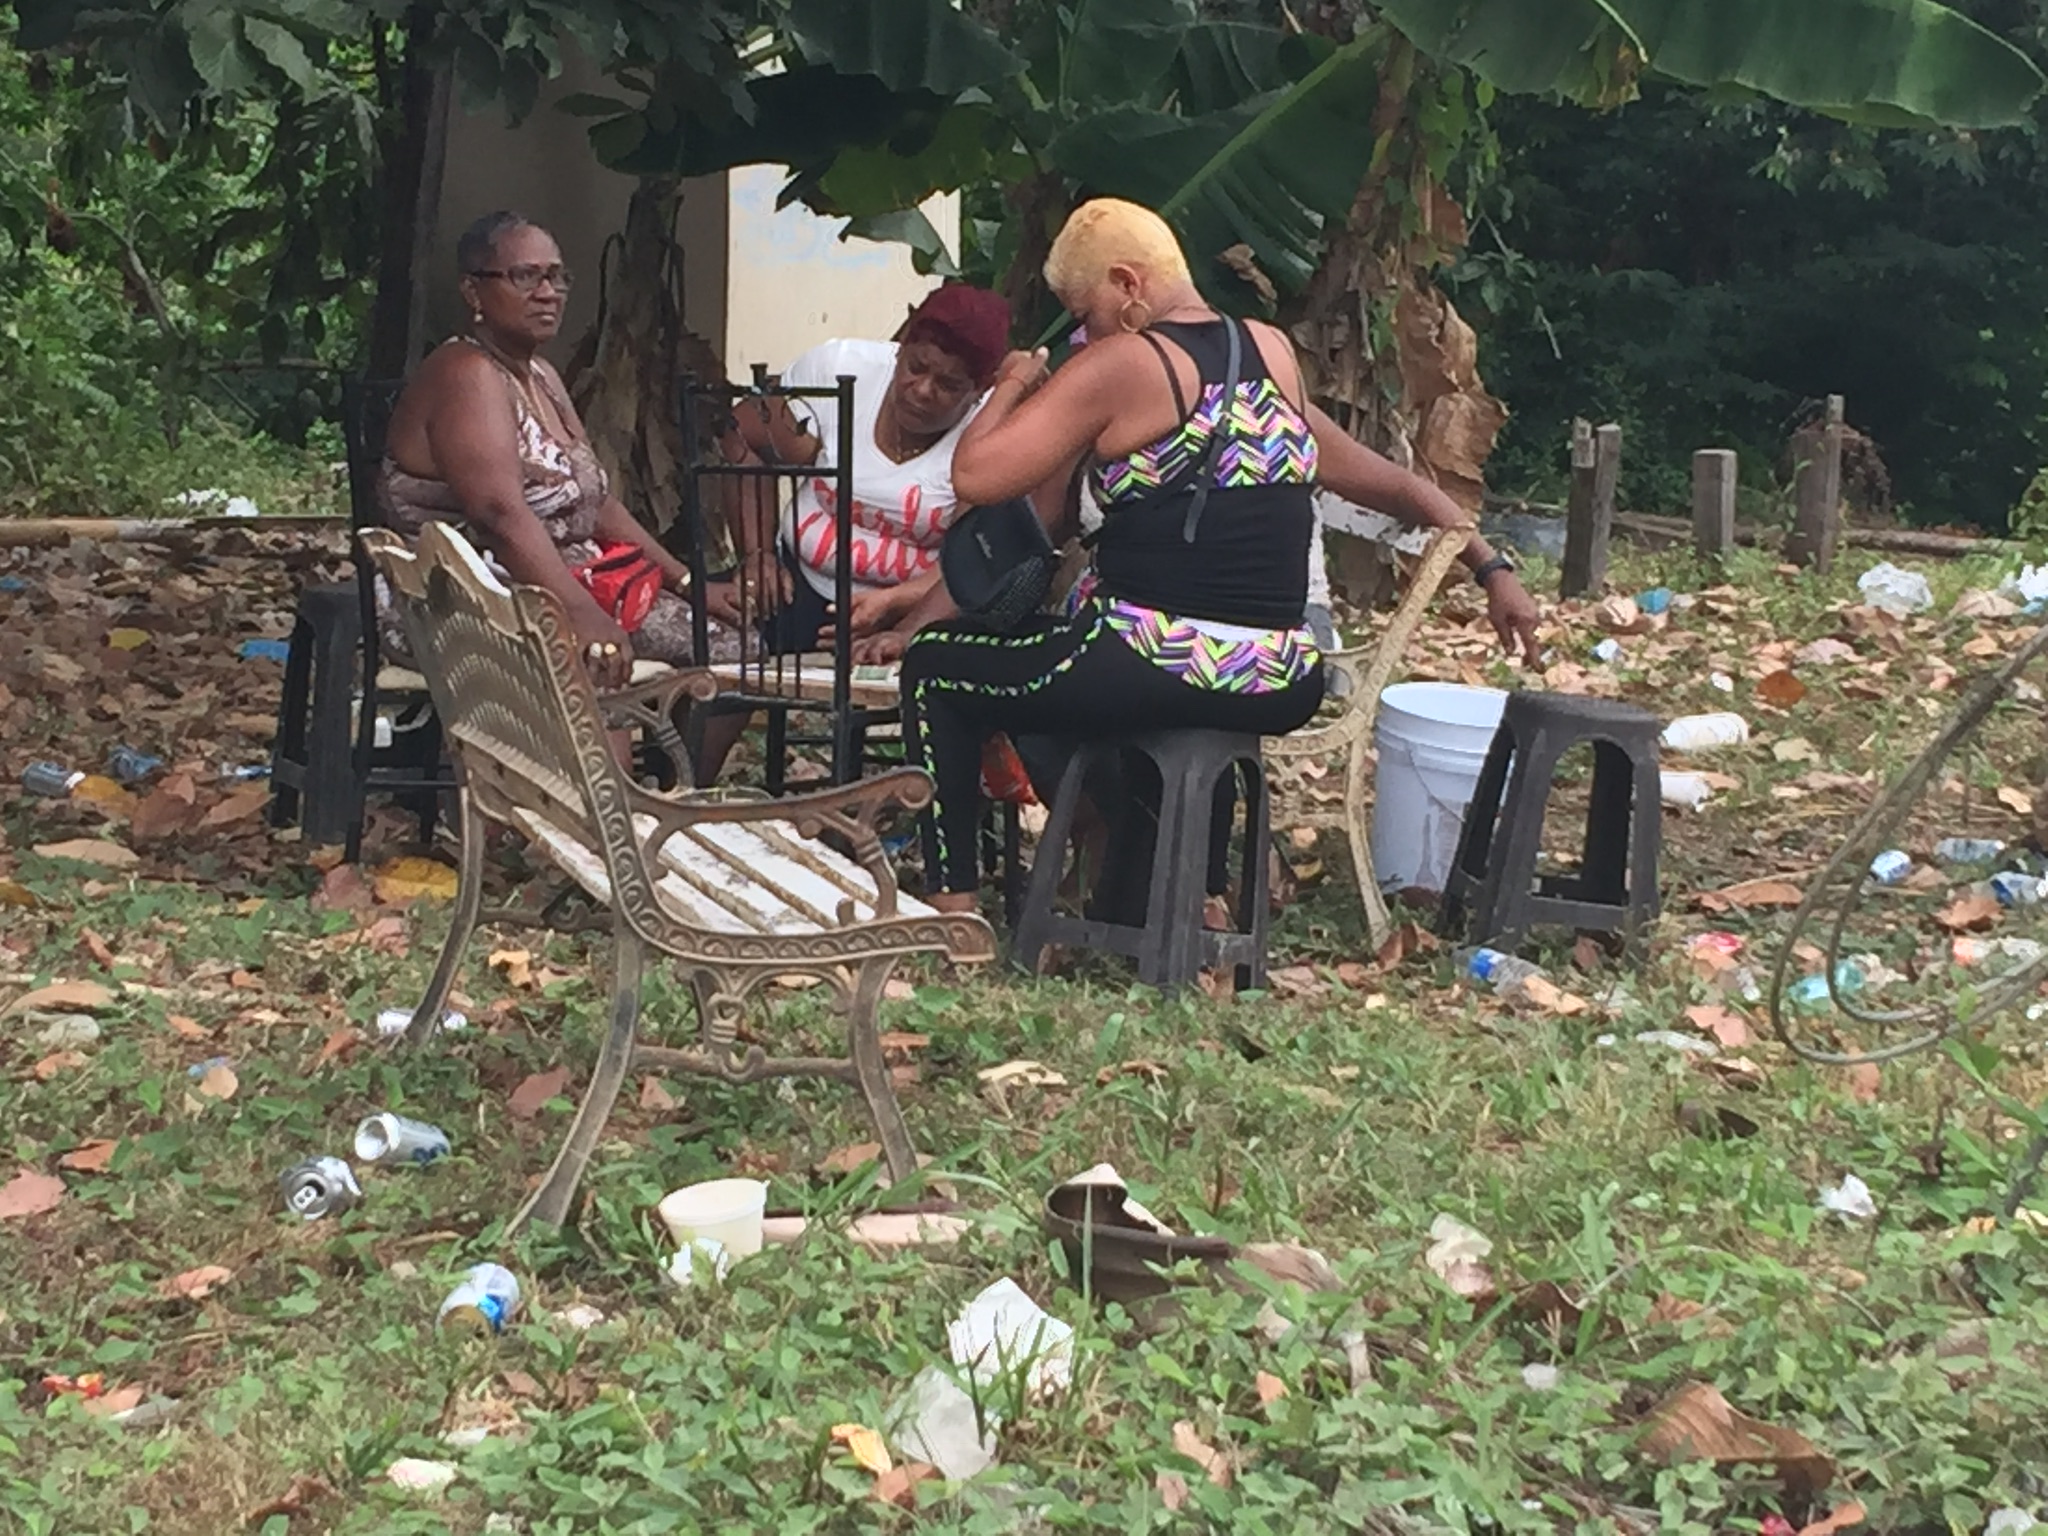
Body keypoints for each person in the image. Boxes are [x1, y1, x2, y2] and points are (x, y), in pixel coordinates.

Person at [900, 198, 1543, 916]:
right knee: (1085, 683)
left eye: (1086, 314)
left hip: (1153, 660)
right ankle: (1180, 896)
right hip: (1280, 677)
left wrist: (1015, 381)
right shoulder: (1270, 354)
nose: (1085, 334)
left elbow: (976, 476)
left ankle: (954, 911)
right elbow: (1392, 483)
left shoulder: (1125, 362)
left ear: (1127, 284)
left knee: (939, 666)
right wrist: (1492, 569)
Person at [378, 210, 739, 690]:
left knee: (737, 651)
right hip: (466, 598)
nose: (548, 292)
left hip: (568, 583)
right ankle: (613, 744)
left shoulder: (541, 375)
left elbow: (596, 501)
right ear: (473, 291)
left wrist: (689, 583)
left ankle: (657, 745)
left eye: (556, 277)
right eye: (525, 276)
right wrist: (580, 612)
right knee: (669, 657)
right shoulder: (466, 372)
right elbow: (497, 514)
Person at [718, 283, 1014, 658]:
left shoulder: (993, 430)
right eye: (916, 367)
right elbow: (741, 434)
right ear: (902, 344)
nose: (923, 390)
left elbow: (976, 560)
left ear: (982, 388)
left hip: (918, 615)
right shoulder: (842, 369)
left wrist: (894, 604)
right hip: (796, 589)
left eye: (949, 385)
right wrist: (758, 554)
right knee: (718, 657)